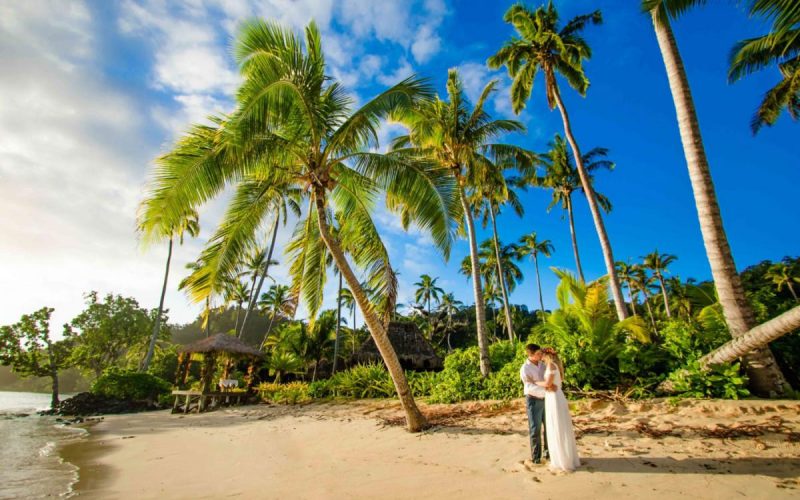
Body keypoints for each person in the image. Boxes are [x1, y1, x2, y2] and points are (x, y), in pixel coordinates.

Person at [536, 347, 580, 472]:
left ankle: (561, 460)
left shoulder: (551, 366)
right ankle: (564, 457)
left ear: (546, 355)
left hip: (553, 398)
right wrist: (547, 385)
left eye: (542, 355)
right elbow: (553, 384)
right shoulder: (555, 365)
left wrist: (535, 382)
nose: (541, 357)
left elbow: (548, 384)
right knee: (560, 426)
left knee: (556, 426)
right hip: (555, 396)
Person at [520, 343, 551, 464]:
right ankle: (536, 457)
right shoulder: (525, 368)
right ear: (531, 355)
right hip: (533, 400)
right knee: (535, 429)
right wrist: (546, 389)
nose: (540, 355)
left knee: (548, 427)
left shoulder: (543, 365)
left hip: (547, 399)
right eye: (538, 354)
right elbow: (528, 386)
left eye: (540, 353)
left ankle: (548, 452)